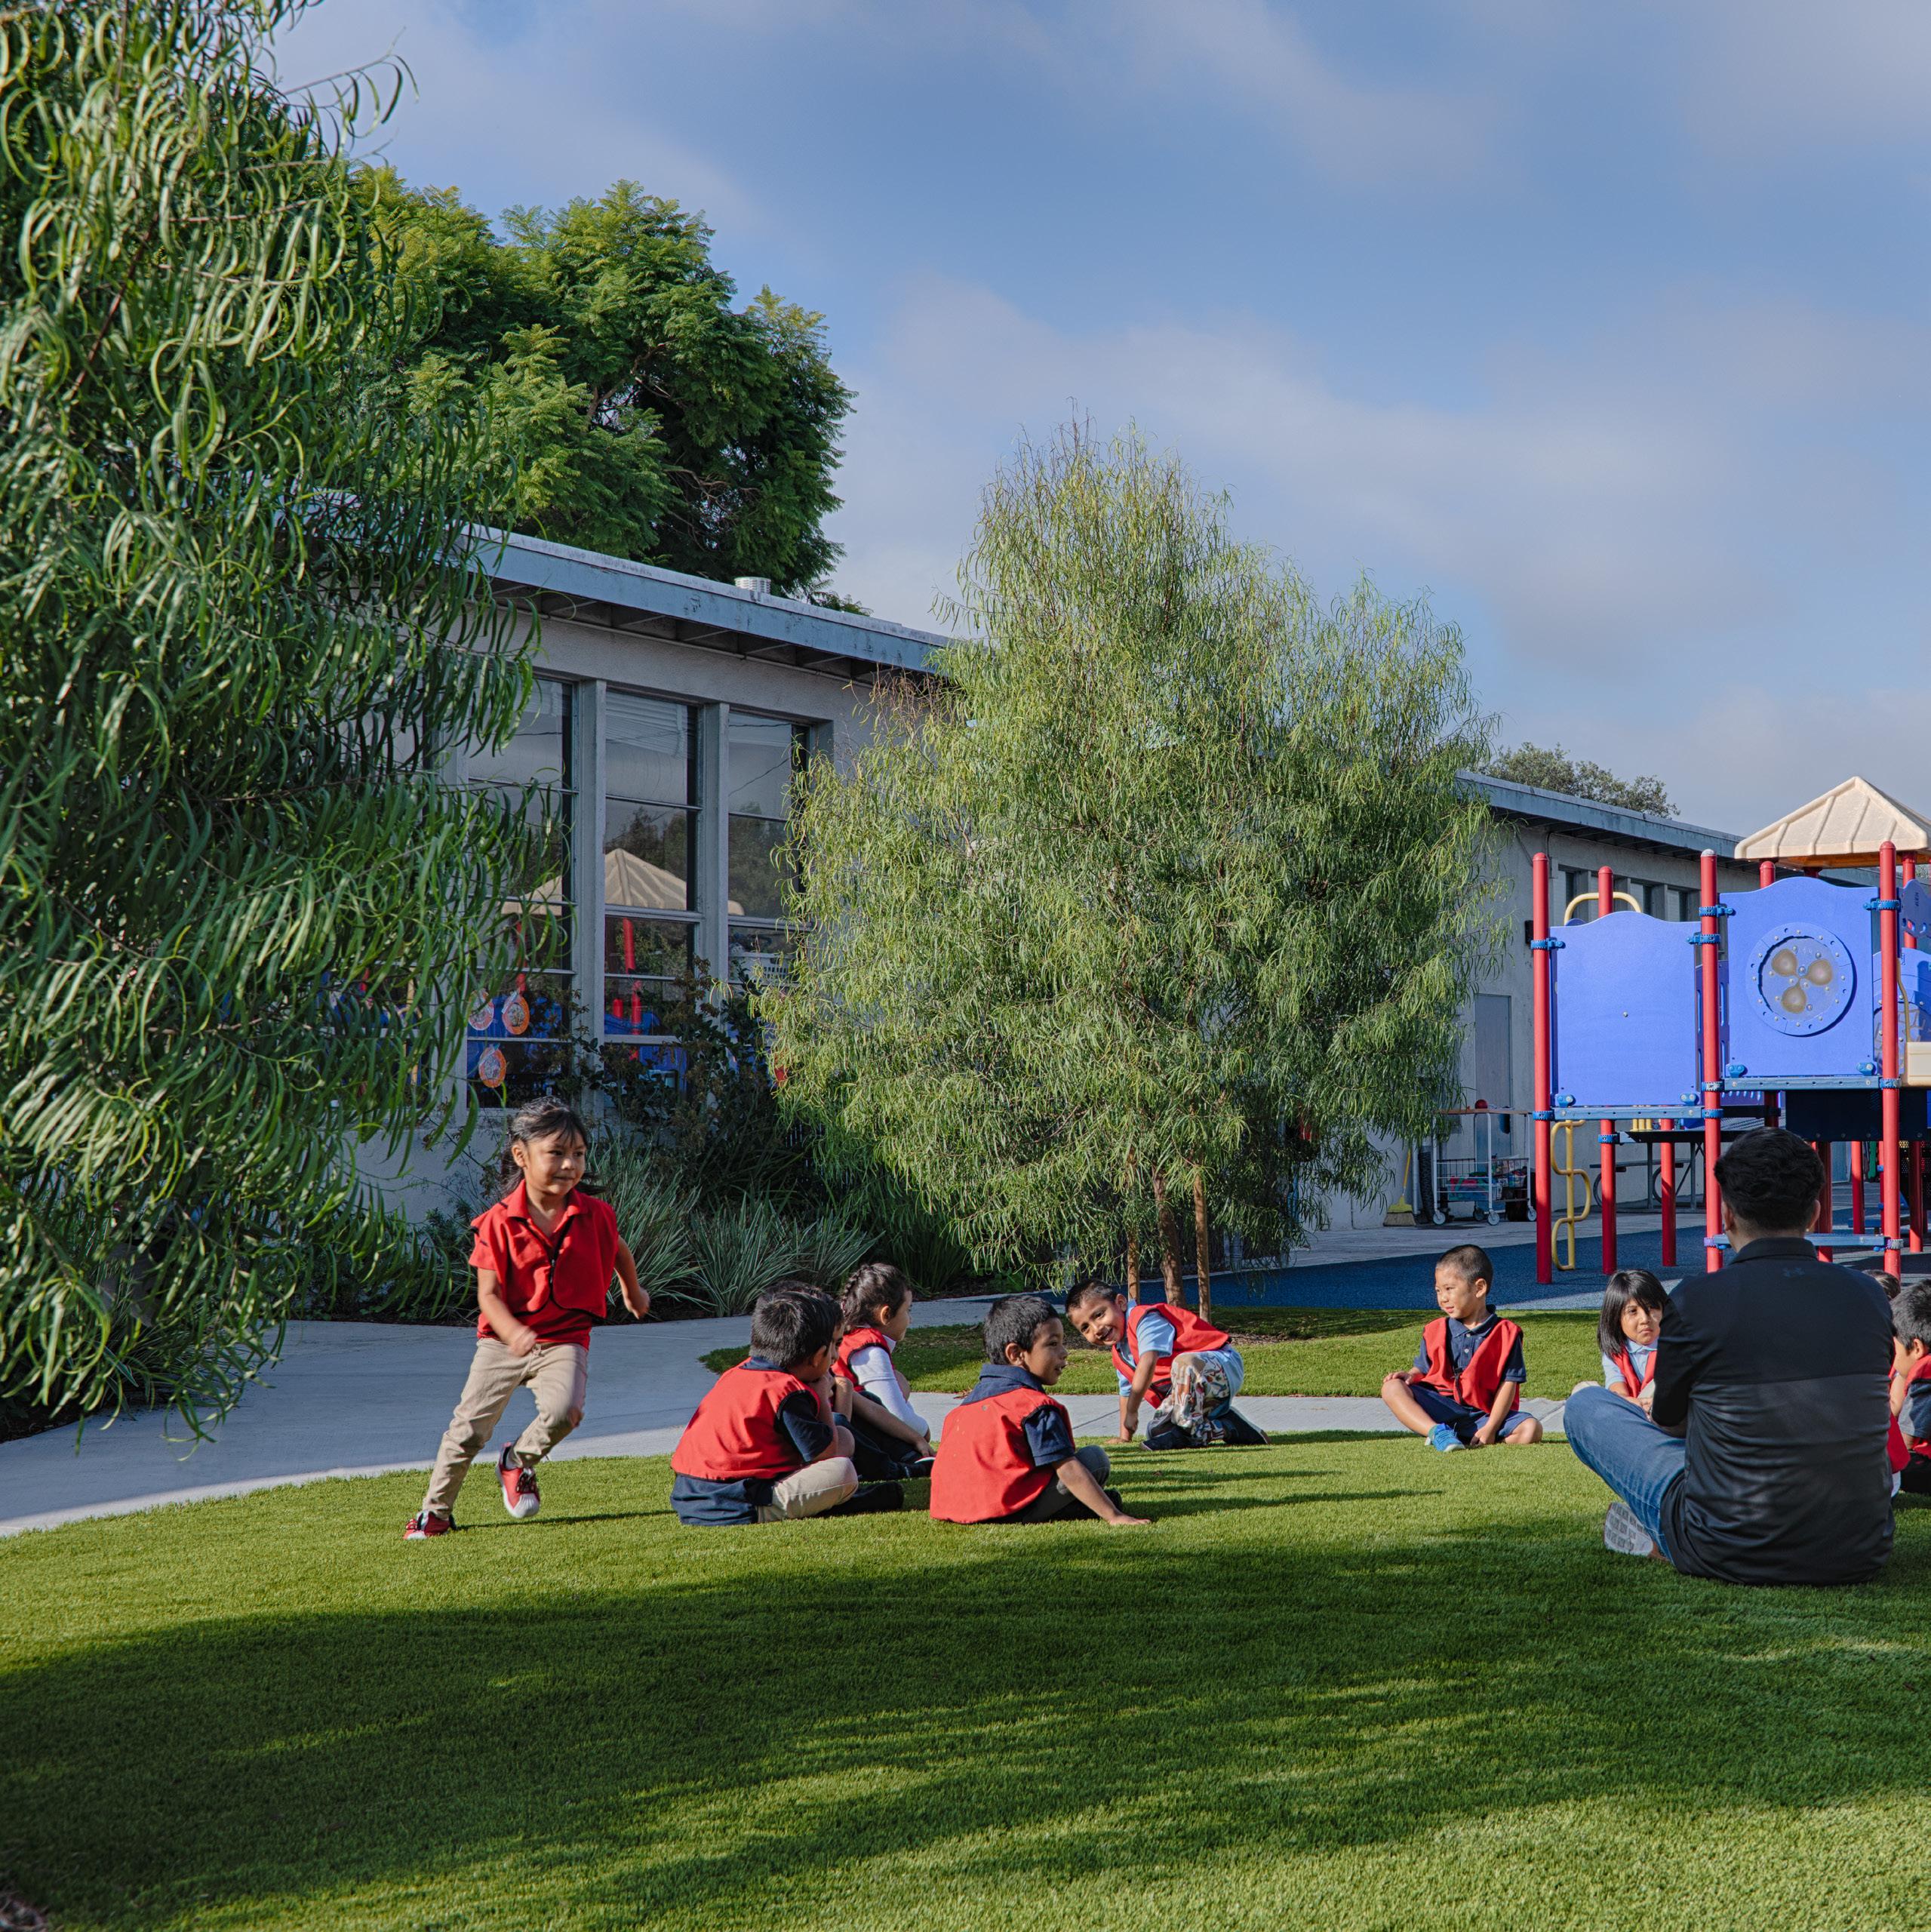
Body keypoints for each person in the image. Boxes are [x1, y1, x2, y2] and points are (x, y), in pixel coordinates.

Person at [1565, 1128, 1893, 1584]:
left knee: (1585, 1405)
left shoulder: (1697, 1299)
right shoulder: (1870, 1296)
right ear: (1816, 1214)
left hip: (1725, 1546)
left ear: (1727, 1216)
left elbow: (1669, 1422)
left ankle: (1661, 1534)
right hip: (1860, 1547)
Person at [405, 1097, 648, 1541]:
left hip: (565, 1338)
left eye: (579, 1154)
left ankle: (517, 1461)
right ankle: (434, 1513)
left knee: (565, 1412)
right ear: (521, 1155)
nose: (570, 1164)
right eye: (556, 1153)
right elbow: (488, 1295)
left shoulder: (596, 1215)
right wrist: (513, 1331)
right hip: (502, 1342)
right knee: (468, 1431)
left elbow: (618, 1250)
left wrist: (633, 1291)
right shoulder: (497, 1223)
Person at [672, 1282, 902, 1524]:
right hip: (733, 1502)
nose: (836, 1357)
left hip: (693, 1494)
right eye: (834, 1347)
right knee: (842, 1471)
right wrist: (823, 1397)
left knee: (843, 1442)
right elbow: (826, 1454)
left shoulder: (738, 1373)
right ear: (817, 1356)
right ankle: (833, 1504)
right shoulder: (785, 1390)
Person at [931, 1294, 1149, 1526]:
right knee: (1094, 1459)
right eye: (1053, 1344)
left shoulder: (960, 1411)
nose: (1064, 1352)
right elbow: (1067, 1468)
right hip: (1012, 1511)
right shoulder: (1033, 1406)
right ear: (1016, 1354)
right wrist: (1114, 1516)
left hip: (954, 1509)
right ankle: (1087, 1506)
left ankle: (1080, 1505)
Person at [1062, 1281, 1267, 1449]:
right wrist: (1125, 1436)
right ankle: (1227, 1426)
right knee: (1157, 1431)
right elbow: (1126, 1392)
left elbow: (1148, 1360)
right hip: (1193, 1391)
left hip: (1220, 1367)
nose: (1096, 1329)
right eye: (1085, 1328)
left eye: (1099, 1315)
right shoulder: (1120, 1355)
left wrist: (1133, 1411)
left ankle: (1189, 1431)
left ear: (1121, 1303)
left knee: (1185, 1363)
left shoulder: (1144, 1319)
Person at [1380, 1244, 1542, 1451]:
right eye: (1438, 1290)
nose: (1443, 1298)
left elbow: (1508, 1385)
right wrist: (1411, 1375)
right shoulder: (1434, 1330)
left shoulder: (1507, 1333)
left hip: (1483, 1415)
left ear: (1479, 1288)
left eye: (1449, 1289)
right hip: (1441, 1408)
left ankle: (1475, 1436)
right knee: (1392, 1387)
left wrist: (1491, 1427)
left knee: (1531, 1429)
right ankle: (1437, 1432)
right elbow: (1423, 1369)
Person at [833, 1262, 936, 1478]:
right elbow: (894, 1412)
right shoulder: (869, 1349)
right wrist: (922, 1431)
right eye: (907, 1310)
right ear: (886, 1314)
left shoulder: (852, 1339)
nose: (910, 1319)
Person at [1597, 1269, 1668, 1408]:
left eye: (1651, 1308)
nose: (1645, 1319)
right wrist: (1634, 1403)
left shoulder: (1676, 1346)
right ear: (1616, 1317)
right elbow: (1617, 1390)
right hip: (1630, 1410)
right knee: (1583, 1390)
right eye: (1633, 1311)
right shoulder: (1616, 1353)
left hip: (1666, 1410)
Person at [1891, 1279, 1931, 1498]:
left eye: (1894, 1349)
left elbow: (1905, 1442)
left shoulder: (1925, 1376)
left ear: (1916, 1347)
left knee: (1894, 1465)